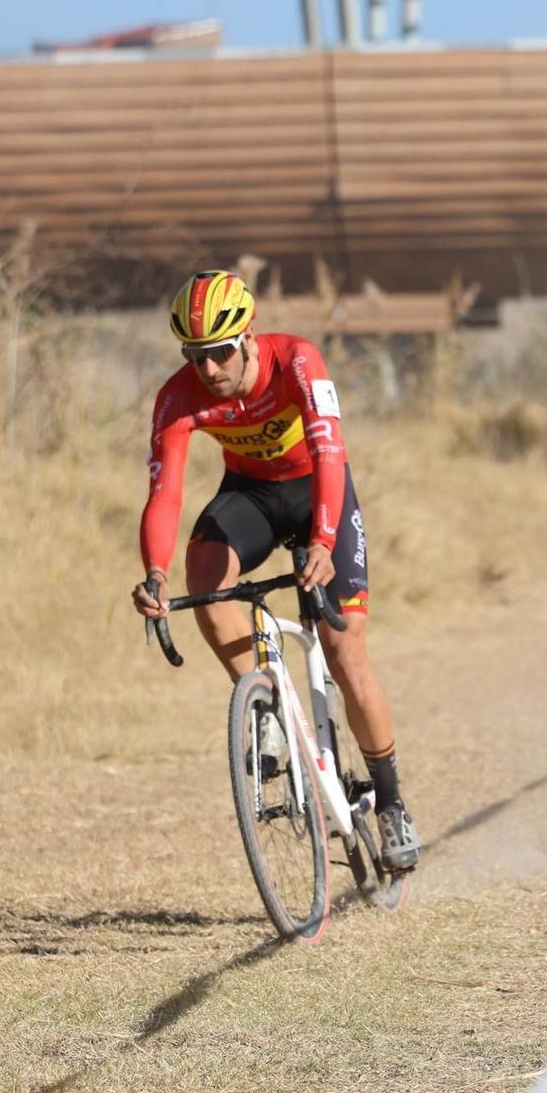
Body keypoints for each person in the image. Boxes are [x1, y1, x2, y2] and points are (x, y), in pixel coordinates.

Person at [130, 271, 421, 872]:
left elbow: (329, 451)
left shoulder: (297, 362)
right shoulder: (179, 397)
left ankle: (391, 802)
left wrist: (322, 537)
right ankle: (266, 711)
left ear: (247, 336)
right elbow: (165, 496)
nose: (208, 369)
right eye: (194, 355)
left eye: (218, 353)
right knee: (202, 576)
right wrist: (154, 573)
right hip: (252, 497)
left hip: (319, 491)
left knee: (345, 652)